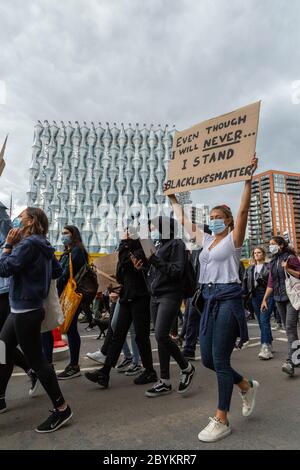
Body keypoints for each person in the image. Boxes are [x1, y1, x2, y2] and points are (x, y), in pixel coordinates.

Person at [168, 155, 259, 443]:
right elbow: (183, 220)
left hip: (228, 298)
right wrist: (172, 198)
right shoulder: (206, 240)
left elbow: (244, 212)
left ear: (228, 220)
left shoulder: (234, 239)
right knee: (207, 359)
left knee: (219, 358)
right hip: (207, 299)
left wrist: (247, 179)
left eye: (219, 218)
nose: (214, 221)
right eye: (213, 218)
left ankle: (221, 417)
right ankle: (244, 384)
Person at [0, 207, 72, 432]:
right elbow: (57, 271)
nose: (17, 221)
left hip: (26, 310)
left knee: (38, 361)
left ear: (31, 221)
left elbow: (4, 268)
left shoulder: (28, 244)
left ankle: (62, 408)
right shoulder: (43, 244)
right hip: (23, 307)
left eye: (21, 217)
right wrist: (35, 278)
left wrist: (8, 247)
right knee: (3, 346)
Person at [85, 230, 157, 388]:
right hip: (126, 296)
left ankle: (150, 371)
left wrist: (124, 245)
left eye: (127, 232)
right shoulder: (126, 249)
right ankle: (104, 373)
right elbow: (121, 271)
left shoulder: (142, 248)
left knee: (141, 336)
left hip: (140, 296)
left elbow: (127, 263)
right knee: (117, 334)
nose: (124, 233)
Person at [143, 215, 196, 398]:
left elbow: (176, 271)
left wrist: (155, 260)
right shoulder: (158, 246)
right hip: (156, 296)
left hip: (170, 295)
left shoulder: (177, 244)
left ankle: (186, 367)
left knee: (160, 334)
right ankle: (164, 381)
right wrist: (144, 266)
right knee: (160, 338)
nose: (154, 231)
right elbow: (155, 272)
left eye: (156, 227)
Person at [261, 236, 300, 376]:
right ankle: (296, 357)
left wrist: (288, 268)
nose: (270, 246)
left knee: (290, 328)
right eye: (269, 244)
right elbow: (271, 283)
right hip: (278, 298)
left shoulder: (290, 258)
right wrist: (265, 299)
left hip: (291, 297)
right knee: (287, 328)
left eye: (273, 244)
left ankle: (290, 361)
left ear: (281, 245)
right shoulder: (273, 261)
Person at [244, 247, 274, 360]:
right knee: (262, 322)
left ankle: (265, 347)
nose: (256, 254)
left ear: (263, 254)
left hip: (267, 295)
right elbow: (245, 284)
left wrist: (266, 298)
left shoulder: (269, 266)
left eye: (259, 252)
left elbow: (272, 283)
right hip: (254, 297)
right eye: (255, 253)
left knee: (264, 319)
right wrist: (244, 298)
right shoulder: (250, 268)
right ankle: (269, 343)